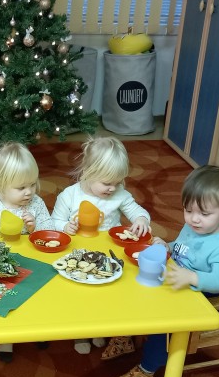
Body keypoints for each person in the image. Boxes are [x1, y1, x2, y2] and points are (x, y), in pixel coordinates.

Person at [111, 165, 219, 377]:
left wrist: (193, 277)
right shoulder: (193, 228)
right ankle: (125, 336)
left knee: (164, 324)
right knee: (135, 289)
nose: (194, 219)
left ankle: (146, 369)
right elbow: (182, 248)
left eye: (204, 214)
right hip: (178, 281)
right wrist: (167, 246)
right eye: (188, 210)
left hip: (203, 296)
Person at [51, 136, 151, 355]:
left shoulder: (119, 194)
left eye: (118, 182)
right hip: (78, 254)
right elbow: (54, 222)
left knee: (106, 292)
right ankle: (80, 332)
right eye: (107, 183)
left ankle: (100, 326)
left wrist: (142, 219)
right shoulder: (70, 195)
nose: (112, 188)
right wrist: (65, 226)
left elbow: (137, 211)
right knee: (80, 294)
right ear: (88, 171)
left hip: (107, 254)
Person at [0, 141, 53, 362]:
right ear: (1, 184)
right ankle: (7, 337)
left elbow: (50, 232)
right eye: (21, 188)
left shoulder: (36, 204)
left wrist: (34, 228)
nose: (29, 192)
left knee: (36, 294)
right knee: (5, 298)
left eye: (32, 184)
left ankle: (37, 329)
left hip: (31, 262)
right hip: (0, 265)